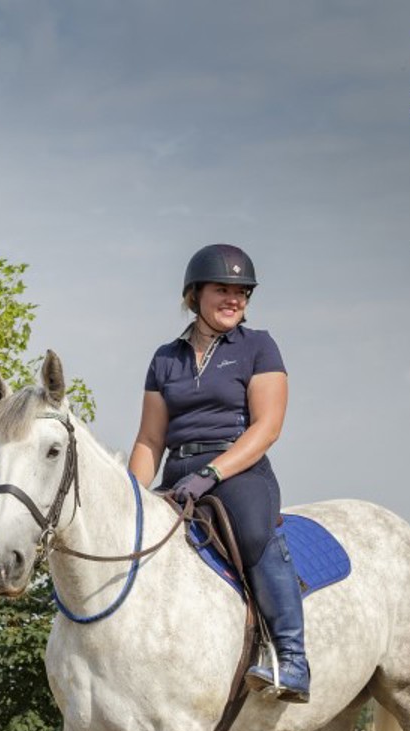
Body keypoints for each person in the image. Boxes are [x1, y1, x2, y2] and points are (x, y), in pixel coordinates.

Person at [127, 243, 309, 703]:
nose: (234, 299)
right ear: (195, 295)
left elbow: (267, 428)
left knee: (251, 532)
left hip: (239, 468)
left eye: (242, 292)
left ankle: (291, 657)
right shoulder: (164, 358)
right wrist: (129, 496)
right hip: (177, 469)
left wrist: (212, 472)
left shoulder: (258, 347)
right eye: (222, 290)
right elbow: (150, 440)